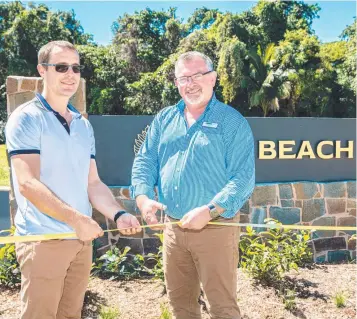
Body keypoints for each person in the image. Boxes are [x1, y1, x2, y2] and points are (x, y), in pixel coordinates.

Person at [5, 40, 141, 319]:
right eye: (61, 66)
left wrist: (117, 214)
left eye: (76, 67)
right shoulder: (27, 119)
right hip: (44, 240)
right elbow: (27, 183)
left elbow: (93, 183)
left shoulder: (83, 124)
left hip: (79, 243)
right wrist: (77, 219)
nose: (70, 74)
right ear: (42, 70)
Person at [131, 51, 255, 319]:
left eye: (198, 75)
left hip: (216, 228)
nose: (191, 83)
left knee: (222, 308)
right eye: (184, 78)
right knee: (181, 307)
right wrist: (142, 198)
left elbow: (243, 178)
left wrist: (209, 210)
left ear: (213, 78)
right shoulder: (164, 119)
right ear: (176, 83)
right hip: (174, 229)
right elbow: (145, 162)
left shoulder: (232, 122)